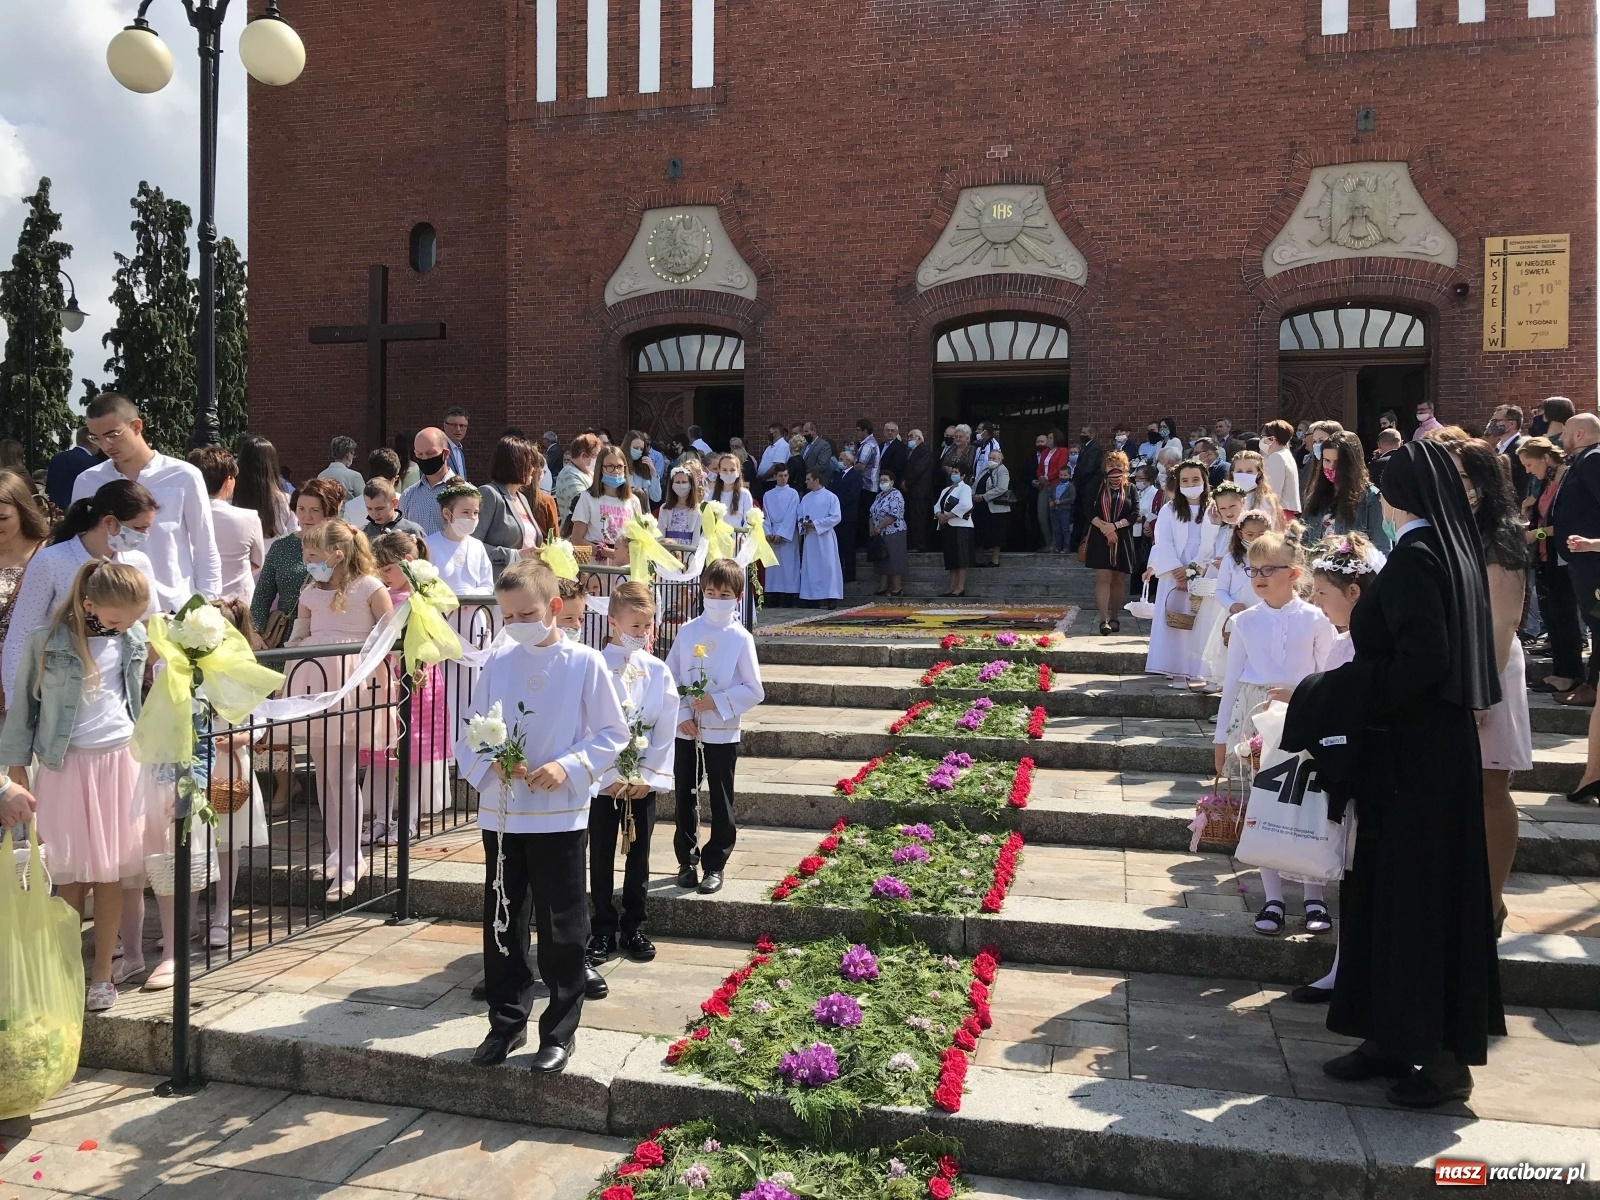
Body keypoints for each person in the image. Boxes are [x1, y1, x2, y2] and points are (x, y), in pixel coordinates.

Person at [1286, 439, 1502, 1108]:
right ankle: (1386, 1034)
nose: (1377, 493)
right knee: (1382, 892)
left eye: (1384, 485)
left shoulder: (1416, 558)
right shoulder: (1451, 550)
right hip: (1423, 756)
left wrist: (1339, 690)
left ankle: (1439, 1060)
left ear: (1399, 491)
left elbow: (1423, 662)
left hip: (1414, 757)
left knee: (1416, 901)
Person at [457, 559, 627, 1070]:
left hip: (560, 812)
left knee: (561, 925)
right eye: (507, 617)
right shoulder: (499, 664)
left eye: (526, 613)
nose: (516, 625)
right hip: (505, 813)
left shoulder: (585, 663)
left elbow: (611, 733)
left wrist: (567, 765)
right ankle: (506, 1023)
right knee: (503, 919)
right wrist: (494, 763)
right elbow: (472, 728)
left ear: (554, 607)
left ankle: (559, 1029)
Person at [0, 561, 152, 1011]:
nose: (123, 628)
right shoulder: (46, 642)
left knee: (108, 872)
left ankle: (103, 973)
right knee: (66, 872)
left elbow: (135, 701)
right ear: (88, 604)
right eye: (113, 620)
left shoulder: (133, 638)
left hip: (119, 763)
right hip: (65, 766)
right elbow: (22, 707)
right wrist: (15, 766)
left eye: (132, 620)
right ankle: (66, 968)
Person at [1212, 530, 1337, 935]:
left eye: (1269, 569)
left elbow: (1329, 674)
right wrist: (1220, 737)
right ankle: (1272, 898)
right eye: (1253, 570)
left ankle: (1314, 895)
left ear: (1293, 572)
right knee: (1263, 805)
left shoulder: (1317, 618)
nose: (1260, 577)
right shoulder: (1243, 621)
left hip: (1306, 714)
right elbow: (1231, 681)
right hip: (1255, 713)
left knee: (1308, 801)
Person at [1289, 536, 1378, 1004]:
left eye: (1322, 594)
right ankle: (1343, 966)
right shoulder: (1342, 644)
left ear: (1355, 593)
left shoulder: (1373, 643)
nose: (1318, 605)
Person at [1450, 440, 1531, 931]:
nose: (1454, 486)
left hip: (1488, 667)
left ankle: (1491, 900)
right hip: (1452, 666)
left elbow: (1502, 621)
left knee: (1488, 785)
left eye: (1461, 476)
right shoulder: (1447, 527)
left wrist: (1482, 687)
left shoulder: (1500, 534)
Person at [288, 519, 392, 899]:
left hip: (354, 683)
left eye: (313, 555)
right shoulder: (310, 592)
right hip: (316, 680)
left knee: (344, 773)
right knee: (323, 772)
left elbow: (387, 635)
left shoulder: (369, 587)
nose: (307, 561)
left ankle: (352, 859)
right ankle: (337, 849)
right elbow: (298, 635)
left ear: (337, 554)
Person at [584, 581, 677, 991]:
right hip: (605, 783)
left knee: (638, 855)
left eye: (646, 627)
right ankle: (601, 925)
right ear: (613, 621)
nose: (639, 634)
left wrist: (646, 774)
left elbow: (665, 726)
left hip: (640, 782)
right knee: (601, 854)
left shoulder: (657, 671)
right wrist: (605, 776)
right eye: (633, 626)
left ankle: (634, 924)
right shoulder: (594, 666)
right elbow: (587, 724)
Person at [2, 480, 159, 705]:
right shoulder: (51, 561)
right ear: (109, 522)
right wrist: (18, 704)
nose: (145, 535)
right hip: (61, 693)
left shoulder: (139, 562)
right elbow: (21, 637)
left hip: (122, 694)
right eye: (138, 528)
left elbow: (149, 626)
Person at [665, 557, 764, 896]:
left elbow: (754, 689)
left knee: (721, 798)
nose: (716, 599)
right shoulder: (688, 631)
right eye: (710, 592)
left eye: (724, 594)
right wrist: (682, 713)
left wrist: (716, 702)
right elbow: (671, 677)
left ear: (737, 597)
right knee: (684, 796)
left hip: (722, 731)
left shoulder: (740, 637)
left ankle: (715, 863)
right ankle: (686, 859)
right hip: (688, 729)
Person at [72, 392, 221, 611]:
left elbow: (205, 547)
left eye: (113, 434)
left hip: (174, 610)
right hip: (109, 614)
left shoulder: (184, 476)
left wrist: (208, 608)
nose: (105, 445)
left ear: (136, 426)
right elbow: (78, 549)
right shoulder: (87, 481)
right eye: (96, 438)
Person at [368, 532, 452, 843]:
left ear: (406, 564)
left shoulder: (423, 598)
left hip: (417, 678)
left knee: (412, 754)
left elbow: (428, 638)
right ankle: (380, 817)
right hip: (386, 678)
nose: (382, 575)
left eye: (387, 569)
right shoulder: (383, 595)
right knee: (381, 753)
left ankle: (408, 820)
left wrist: (415, 666)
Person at [201, 597, 272, 948]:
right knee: (194, 841)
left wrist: (238, 736)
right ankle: (186, 914)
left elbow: (258, 721)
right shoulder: (190, 665)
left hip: (230, 761)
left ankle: (222, 913)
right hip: (196, 760)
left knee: (227, 841)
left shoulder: (243, 668)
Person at [1518, 437, 1583, 695]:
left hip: (1562, 558)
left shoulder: (1569, 479)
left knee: (1564, 616)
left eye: (1530, 464)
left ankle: (1571, 673)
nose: (1527, 470)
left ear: (1545, 458)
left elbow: (1568, 524)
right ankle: (1559, 671)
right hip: (1545, 559)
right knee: (1551, 616)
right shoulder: (1546, 482)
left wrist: (1538, 534)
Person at [1146, 461, 1215, 686]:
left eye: (1195, 480)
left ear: (1204, 481)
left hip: (1204, 570)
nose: (1190, 484)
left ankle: (1199, 669)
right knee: (1176, 619)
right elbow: (1163, 541)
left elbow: (1213, 542)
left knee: (1201, 619)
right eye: (1185, 480)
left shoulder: (1214, 509)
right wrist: (1178, 572)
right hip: (1174, 572)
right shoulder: (1170, 509)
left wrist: (1195, 570)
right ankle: (1177, 669)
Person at [251, 478, 344, 644]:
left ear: (327, 511)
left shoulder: (342, 544)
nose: (306, 516)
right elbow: (262, 595)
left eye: (314, 510)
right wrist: (255, 633)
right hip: (287, 635)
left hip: (332, 634)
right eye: (301, 509)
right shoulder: (281, 547)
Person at [1552, 413, 1600, 707]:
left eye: (1566, 432)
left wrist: (1594, 544)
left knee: (1598, 622)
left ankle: (1594, 686)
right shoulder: (1583, 459)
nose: (1560, 438)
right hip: (1581, 559)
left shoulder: (1594, 459)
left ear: (1580, 434)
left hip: (1593, 561)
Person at [1188, 482, 1248, 693]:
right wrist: (1213, 525)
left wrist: (1229, 562)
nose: (1228, 512)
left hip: (1239, 588)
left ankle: (1231, 678)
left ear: (1243, 503)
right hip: (1218, 586)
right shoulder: (1221, 530)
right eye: (1223, 509)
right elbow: (1205, 553)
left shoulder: (1248, 530)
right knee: (1217, 630)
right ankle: (1216, 675)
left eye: (1232, 507)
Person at [475, 436, 559, 579]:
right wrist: (514, 555)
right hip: (501, 584)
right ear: (515, 464)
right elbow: (472, 545)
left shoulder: (522, 498)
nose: (534, 469)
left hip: (526, 582)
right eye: (530, 463)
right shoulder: (489, 494)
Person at [192, 447, 264, 605]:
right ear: (228, 480)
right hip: (239, 601)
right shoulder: (249, 517)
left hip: (199, 598)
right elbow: (258, 562)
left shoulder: (188, 516)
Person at [1302, 431, 1390, 552]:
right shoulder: (1315, 497)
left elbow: (1382, 548)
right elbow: (1303, 541)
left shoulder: (1371, 498)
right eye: (1327, 461)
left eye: (1337, 463)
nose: (1331, 468)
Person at [1084, 451, 1137, 633]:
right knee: (1103, 577)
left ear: (1125, 467)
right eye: (1110, 465)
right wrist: (1105, 528)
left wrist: (1114, 526)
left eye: (1118, 465)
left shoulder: (1131, 488)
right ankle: (1103, 619)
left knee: (1119, 579)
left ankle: (1115, 616)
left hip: (1122, 536)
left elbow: (1135, 513)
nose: (1114, 469)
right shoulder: (1097, 486)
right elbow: (1087, 509)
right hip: (1100, 536)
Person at [570, 445, 643, 566]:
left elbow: (638, 538)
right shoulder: (588, 498)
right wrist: (606, 552)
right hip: (596, 562)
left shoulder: (633, 501)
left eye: (619, 467)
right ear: (601, 469)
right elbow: (577, 539)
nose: (615, 471)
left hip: (623, 564)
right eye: (610, 466)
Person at [426, 482, 496, 596]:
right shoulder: (429, 544)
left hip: (474, 611)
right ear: (447, 514)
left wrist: (473, 598)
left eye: (475, 513)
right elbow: (425, 584)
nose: (472, 517)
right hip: (443, 612)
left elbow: (487, 583)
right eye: (465, 512)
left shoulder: (477, 546)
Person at [235, 435, 297, 555]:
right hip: (275, 565)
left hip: (241, 565)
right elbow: (293, 535)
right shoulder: (284, 500)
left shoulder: (231, 500)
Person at [399, 428, 465, 536]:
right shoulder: (408, 496)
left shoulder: (465, 493)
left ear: (445, 454)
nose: (425, 458)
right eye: (419, 454)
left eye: (430, 453)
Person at [798, 468, 845, 606]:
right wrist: (804, 524)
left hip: (825, 537)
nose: (806, 482)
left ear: (816, 480)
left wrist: (816, 524)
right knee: (811, 567)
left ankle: (831, 597)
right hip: (811, 538)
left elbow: (836, 517)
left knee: (828, 567)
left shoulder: (831, 497)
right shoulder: (806, 498)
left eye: (808, 479)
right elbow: (799, 515)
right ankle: (812, 598)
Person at [762, 463, 801, 605]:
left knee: (789, 566)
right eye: (780, 476)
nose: (783, 479)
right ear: (775, 477)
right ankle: (774, 596)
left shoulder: (793, 494)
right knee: (774, 568)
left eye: (785, 475)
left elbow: (792, 515)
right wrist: (769, 533)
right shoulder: (768, 495)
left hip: (787, 534)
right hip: (773, 532)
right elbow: (765, 515)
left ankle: (789, 597)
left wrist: (781, 534)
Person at [934, 460, 974, 598]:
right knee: (951, 558)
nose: (953, 474)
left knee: (960, 558)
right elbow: (937, 506)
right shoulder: (946, 489)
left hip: (960, 526)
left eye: (957, 472)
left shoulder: (965, 488)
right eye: (952, 472)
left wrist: (948, 515)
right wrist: (939, 514)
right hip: (948, 527)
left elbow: (965, 505)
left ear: (963, 476)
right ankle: (951, 586)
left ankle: (960, 587)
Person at [868, 469, 908, 597]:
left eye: (885, 480)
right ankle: (883, 587)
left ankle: (897, 588)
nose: (882, 483)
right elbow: (872, 513)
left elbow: (893, 515)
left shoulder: (896, 495)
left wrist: (879, 527)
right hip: (879, 534)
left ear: (891, 482)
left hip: (894, 531)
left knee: (894, 559)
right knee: (882, 560)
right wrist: (872, 528)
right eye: (881, 481)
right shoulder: (879, 496)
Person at [827, 450, 864, 585]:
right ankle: (839, 571)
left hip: (848, 515)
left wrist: (837, 502)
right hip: (836, 516)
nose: (839, 461)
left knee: (848, 546)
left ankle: (850, 573)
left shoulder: (855, 476)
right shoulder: (836, 475)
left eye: (841, 459)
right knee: (838, 546)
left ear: (849, 461)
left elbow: (851, 495)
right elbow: (831, 491)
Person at [46, 427, 103, 513]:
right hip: (80, 514)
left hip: (56, 512)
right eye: (98, 440)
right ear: (91, 441)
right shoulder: (94, 463)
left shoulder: (57, 458)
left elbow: (49, 488)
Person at [1227, 449, 1287, 530]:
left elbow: (1271, 529)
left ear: (1258, 474)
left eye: (1249, 472)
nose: (1244, 475)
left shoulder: (1266, 500)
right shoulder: (1224, 498)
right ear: (1232, 473)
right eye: (1239, 471)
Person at [972, 445, 1012, 567]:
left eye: (994, 458)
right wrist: (973, 496)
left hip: (996, 508)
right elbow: (975, 484)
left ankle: (994, 560)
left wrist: (984, 496)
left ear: (1000, 460)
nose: (991, 460)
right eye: (990, 457)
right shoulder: (984, 469)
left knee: (996, 534)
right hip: (980, 506)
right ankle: (979, 559)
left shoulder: (1002, 470)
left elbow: (1001, 488)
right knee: (979, 532)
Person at [554, 433, 602, 530]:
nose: (598, 460)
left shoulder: (589, 473)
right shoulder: (569, 474)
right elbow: (582, 505)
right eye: (596, 455)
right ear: (584, 455)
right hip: (574, 534)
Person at [1258, 420, 1302, 521]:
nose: (1261, 440)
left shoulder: (1276, 457)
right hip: (1284, 511)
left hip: (1278, 513)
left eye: (1263, 436)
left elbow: (1272, 490)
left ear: (1272, 439)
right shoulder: (1285, 454)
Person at [318, 436, 366, 526]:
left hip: (326, 523)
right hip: (348, 523)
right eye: (353, 454)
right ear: (348, 454)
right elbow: (364, 502)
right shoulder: (355, 476)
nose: (353, 457)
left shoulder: (321, 476)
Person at [1032, 431, 1068, 549]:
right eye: (1048, 438)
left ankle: (1055, 543)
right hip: (1043, 486)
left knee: (1054, 516)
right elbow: (1040, 468)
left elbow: (1060, 468)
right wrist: (1041, 477)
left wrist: (1048, 477)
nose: (1048, 440)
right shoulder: (1044, 452)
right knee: (1041, 515)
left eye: (1051, 438)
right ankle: (1048, 542)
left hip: (1055, 485)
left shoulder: (1062, 451)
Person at [1071, 425, 1104, 553]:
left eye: (1085, 432)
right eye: (1081, 431)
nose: (1082, 434)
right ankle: (1076, 543)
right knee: (1079, 515)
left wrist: (1077, 481)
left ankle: (1083, 543)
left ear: (1092, 434)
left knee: (1086, 514)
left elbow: (1088, 468)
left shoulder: (1094, 448)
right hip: (1082, 487)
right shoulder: (1085, 447)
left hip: (1089, 486)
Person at [903, 428, 936, 552]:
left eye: (912, 436)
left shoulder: (924, 451)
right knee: (913, 518)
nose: (909, 438)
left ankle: (919, 545)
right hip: (913, 491)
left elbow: (918, 470)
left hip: (920, 491)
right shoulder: (911, 451)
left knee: (919, 519)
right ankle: (913, 543)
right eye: (909, 436)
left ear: (919, 438)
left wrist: (907, 482)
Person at [363, 478, 427, 541]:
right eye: (369, 508)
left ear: (394, 503)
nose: (374, 514)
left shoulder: (412, 531)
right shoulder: (364, 534)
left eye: (379, 508)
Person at [658, 465, 703, 549]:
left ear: (690, 485)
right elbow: (660, 535)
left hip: (687, 551)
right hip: (669, 550)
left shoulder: (697, 509)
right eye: (677, 482)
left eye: (684, 482)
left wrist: (690, 559)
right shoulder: (665, 508)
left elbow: (696, 539)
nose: (681, 485)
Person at [708, 452, 754, 529]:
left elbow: (749, 522)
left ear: (738, 471)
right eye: (724, 470)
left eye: (732, 470)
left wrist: (740, 538)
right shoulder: (712, 494)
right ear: (719, 471)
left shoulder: (744, 494)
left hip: (737, 538)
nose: (728, 473)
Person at [623, 430, 661, 508]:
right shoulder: (619, 469)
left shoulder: (643, 468)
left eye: (641, 449)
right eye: (636, 448)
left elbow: (656, 497)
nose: (639, 451)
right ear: (627, 446)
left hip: (643, 515)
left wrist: (653, 472)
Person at [1047, 461, 1075, 553]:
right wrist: (1051, 501)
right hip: (1055, 511)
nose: (1062, 477)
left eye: (1065, 475)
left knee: (1065, 529)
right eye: (1061, 475)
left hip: (1065, 511)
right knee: (1056, 530)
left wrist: (1061, 502)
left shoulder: (1070, 487)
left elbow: (1072, 498)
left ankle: (1066, 547)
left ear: (1069, 476)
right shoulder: (1056, 486)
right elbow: (1050, 495)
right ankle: (1058, 547)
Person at [757, 424, 791, 494]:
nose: (769, 434)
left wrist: (764, 476)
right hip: (765, 482)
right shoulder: (771, 447)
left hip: (772, 481)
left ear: (775, 433)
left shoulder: (782, 446)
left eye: (770, 432)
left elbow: (777, 465)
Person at [442, 407, 470, 479]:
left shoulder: (460, 450)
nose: (458, 429)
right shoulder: (440, 449)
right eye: (454, 425)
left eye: (462, 426)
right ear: (445, 425)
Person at [878, 421, 908, 488]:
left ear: (897, 432)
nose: (890, 433)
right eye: (887, 430)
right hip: (879, 482)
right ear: (884, 432)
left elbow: (897, 466)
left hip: (892, 482)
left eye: (892, 430)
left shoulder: (901, 447)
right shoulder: (880, 446)